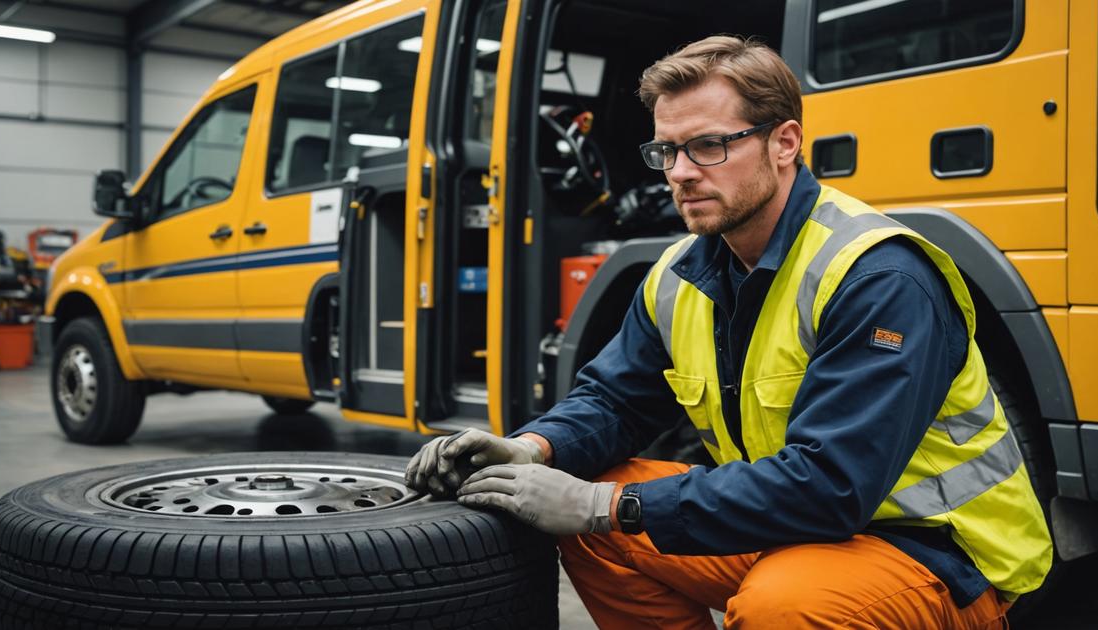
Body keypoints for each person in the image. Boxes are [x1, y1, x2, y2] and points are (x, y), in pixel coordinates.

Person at [406, 35, 1052, 629]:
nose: (681, 172)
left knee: (780, 605)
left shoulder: (877, 276)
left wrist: (607, 505)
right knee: (582, 507)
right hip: (796, 529)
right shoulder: (678, 275)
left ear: (784, 143)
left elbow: (831, 486)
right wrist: (532, 450)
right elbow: (614, 400)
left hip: (934, 552)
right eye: (667, 151)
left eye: (709, 146)